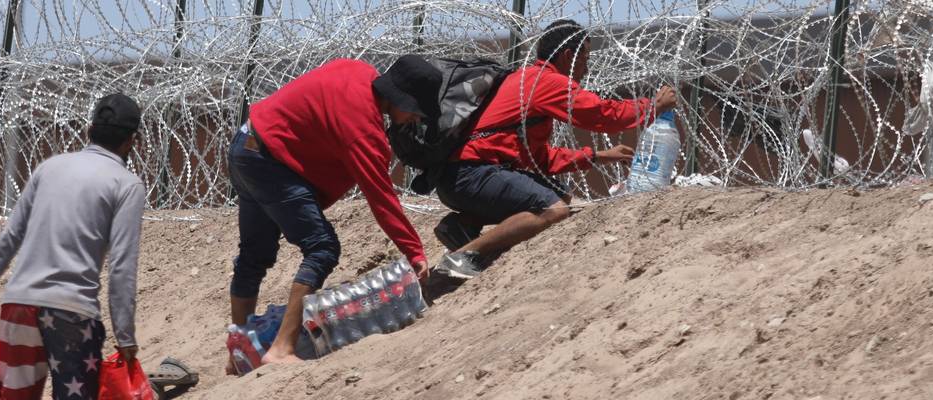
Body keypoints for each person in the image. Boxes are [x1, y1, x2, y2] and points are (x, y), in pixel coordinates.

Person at [226, 55, 438, 370]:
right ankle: (281, 348)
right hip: (270, 162)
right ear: (401, 100)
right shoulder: (363, 128)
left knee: (254, 255)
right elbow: (381, 198)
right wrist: (415, 252)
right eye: (416, 112)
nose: (413, 120)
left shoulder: (358, 71)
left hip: (246, 145)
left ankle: (239, 355)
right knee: (323, 248)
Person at [430, 20, 678, 279]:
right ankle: (465, 256)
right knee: (555, 209)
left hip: (458, 177)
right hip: (472, 175)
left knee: (558, 195)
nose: (587, 67)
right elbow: (600, 114)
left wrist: (599, 156)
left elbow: (539, 159)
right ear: (568, 56)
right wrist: (653, 107)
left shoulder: (524, 79)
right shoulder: (547, 82)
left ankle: (463, 224)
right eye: (584, 58)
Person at [0, 93, 147, 399]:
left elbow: (12, 235)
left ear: (89, 130)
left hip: (18, 305)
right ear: (131, 142)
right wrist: (125, 336)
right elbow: (122, 266)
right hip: (71, 312)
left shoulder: (50, 167)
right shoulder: (126, 184)